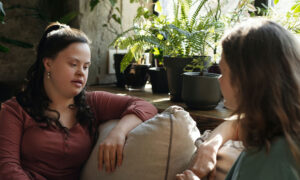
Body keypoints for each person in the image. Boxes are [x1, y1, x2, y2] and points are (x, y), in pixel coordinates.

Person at [0, 22, 157, 180]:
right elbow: (7, 168)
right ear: (48, 63)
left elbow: (145, 106)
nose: (81, 73)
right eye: (73, 64)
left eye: (86, 67)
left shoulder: (92, 102)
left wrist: (119, 132)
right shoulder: (14, 110)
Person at [176, 18, 300, 180]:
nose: (218, 79)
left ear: (246, 80)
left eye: (223, 70)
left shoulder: (267, 162)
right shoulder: (283, 128)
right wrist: (210, 145)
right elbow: (238, 124)